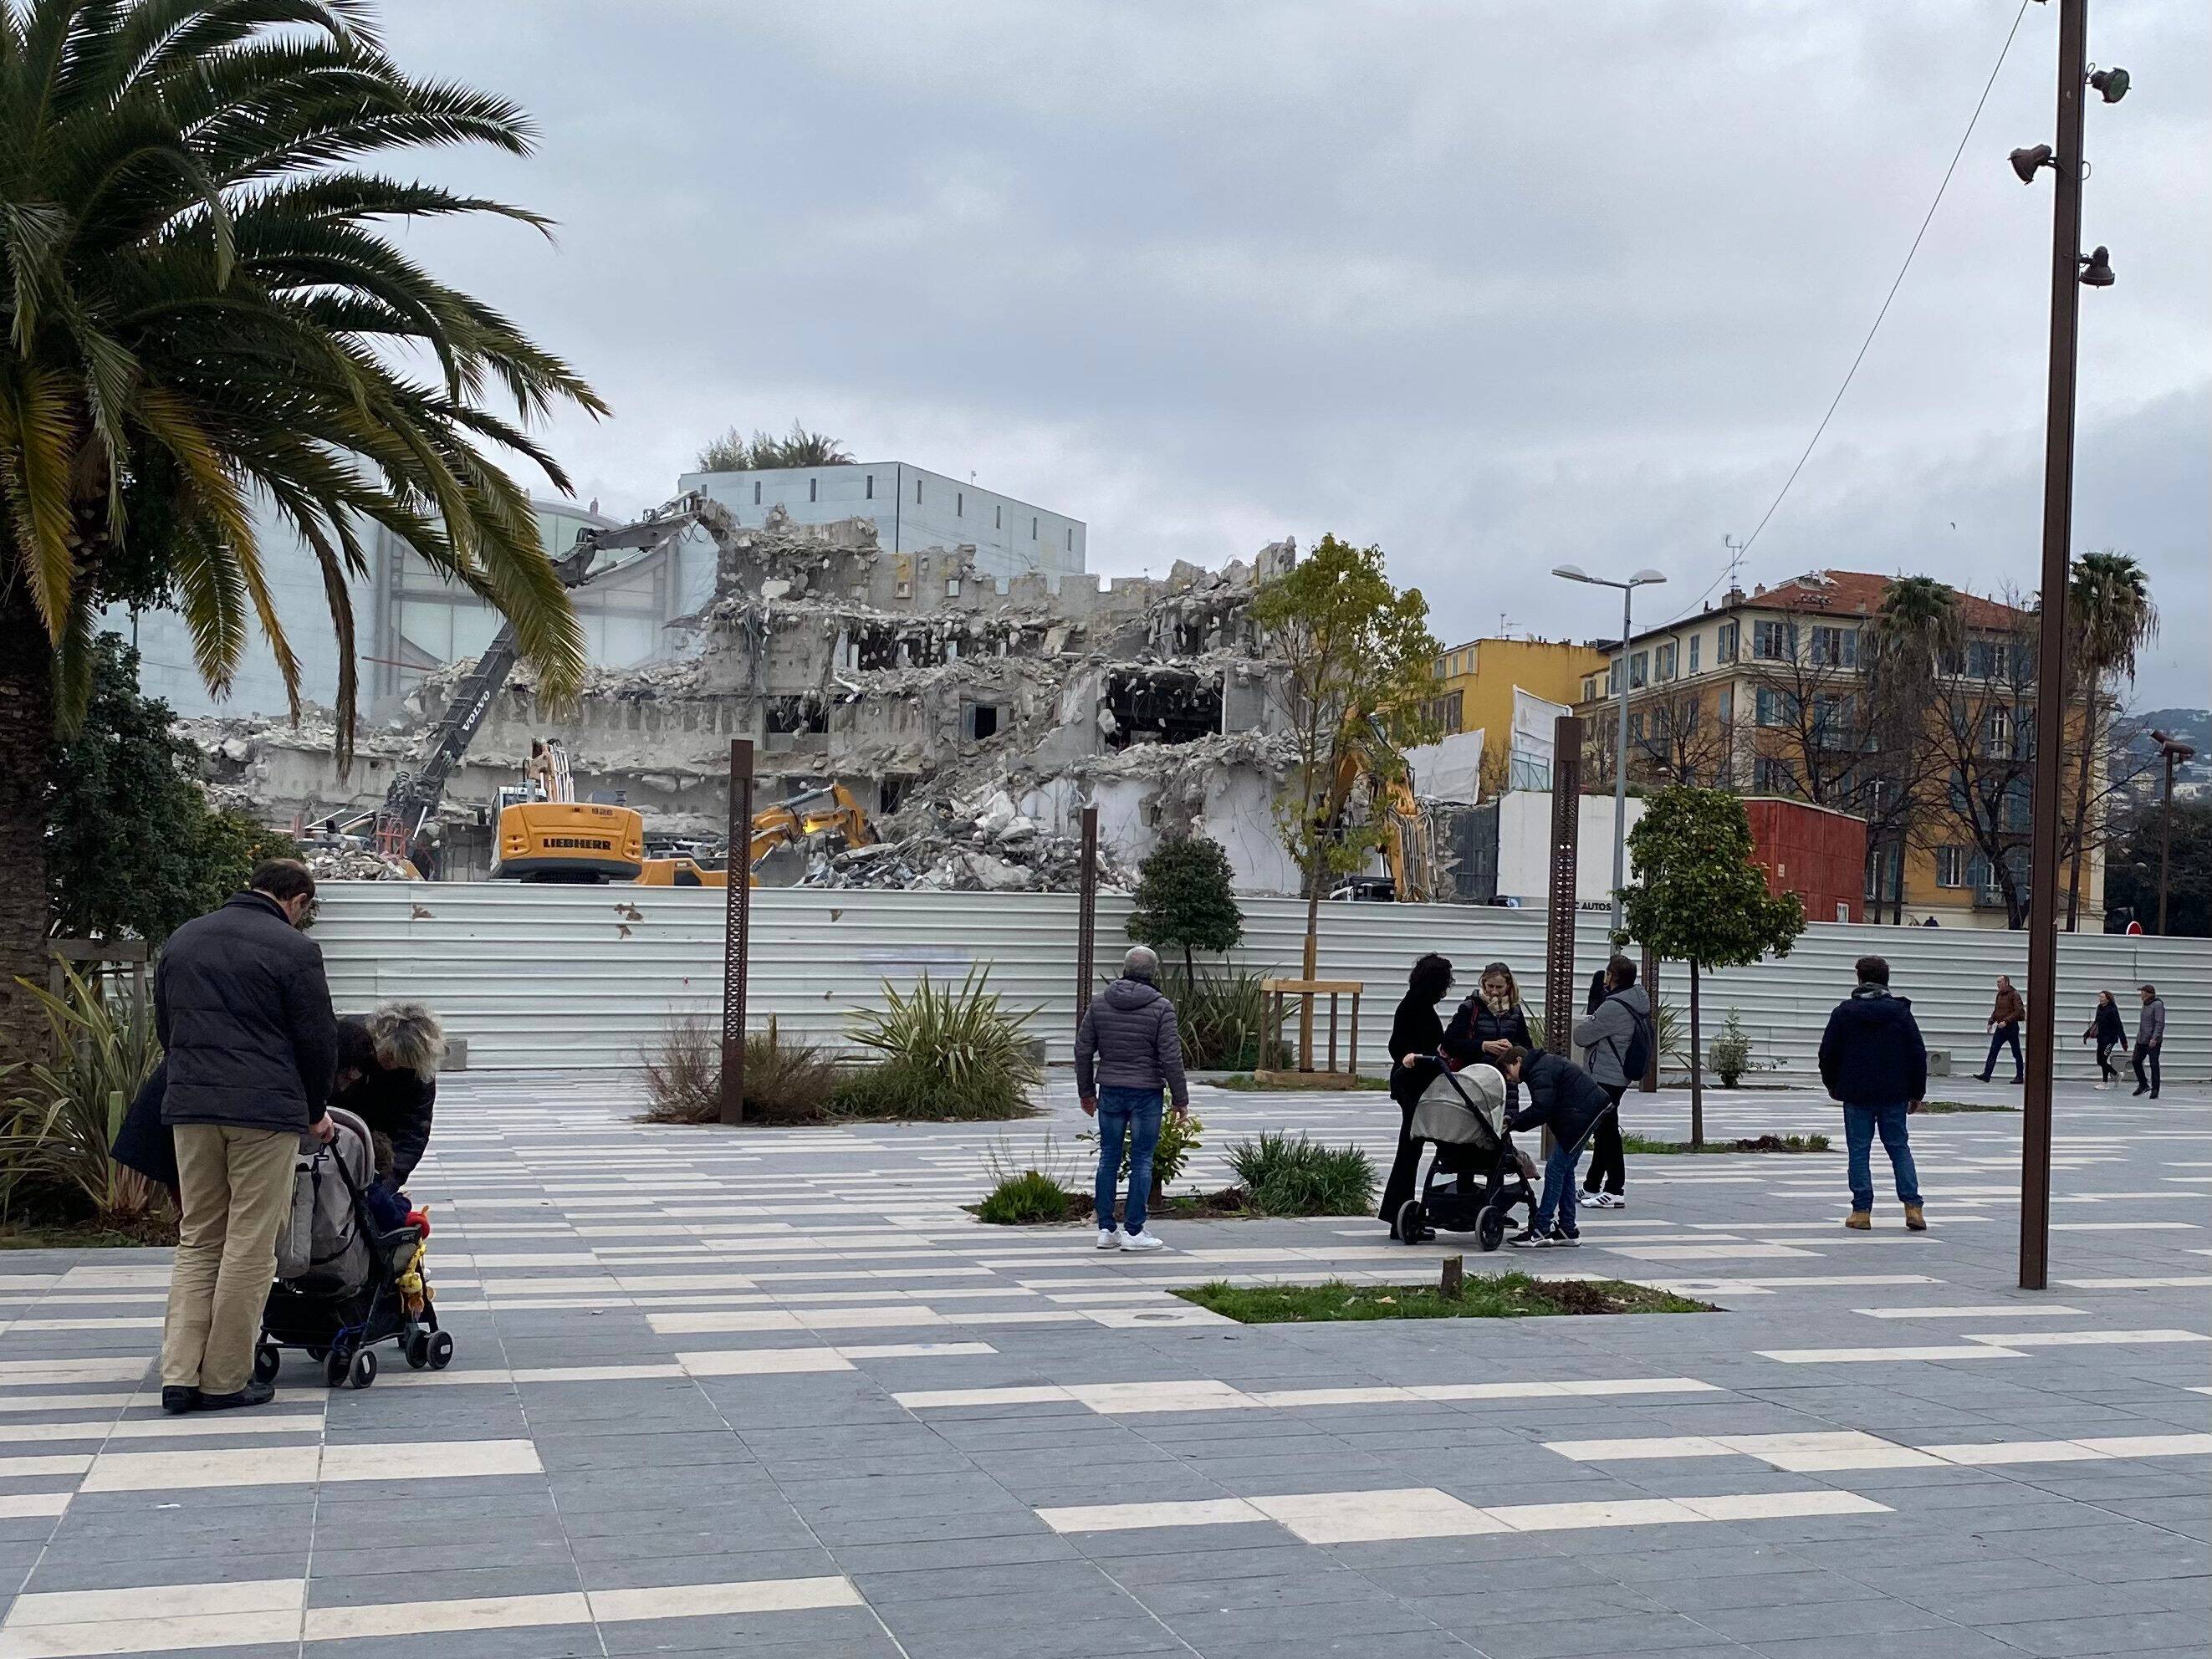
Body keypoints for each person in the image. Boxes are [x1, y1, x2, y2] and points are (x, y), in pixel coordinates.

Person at [156, 860, 339, 1414]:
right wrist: (313, 1111)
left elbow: (167, 1026)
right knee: (250, 1244)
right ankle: (226, 1380)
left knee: (199, 1237)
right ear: (298, 899)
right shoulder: (293, 949)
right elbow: (318, 1040)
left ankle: (179, 1374)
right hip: (264, 1111)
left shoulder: (185, 938)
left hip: (191, 1107)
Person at [1075, 946, 1189, 1253]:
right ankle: (1135, 1231)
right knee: (1142, 1159)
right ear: (1153, 972)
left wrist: (1086, 1092)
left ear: (1123, 969)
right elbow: (1170, 1056)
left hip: (1110, 1090)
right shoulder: (1161, 1007)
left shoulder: (1099, 1005)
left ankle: (1106, 1230)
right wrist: (1181, 1099)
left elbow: (1083, 1050)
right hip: (1146, 1093)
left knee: (1108, 1157)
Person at [1816, 954, 1927, 1233]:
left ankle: (1861, 1212)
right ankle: (1913, 1208)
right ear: (1886, 979)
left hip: (1856, 1094)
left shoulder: (1844, 1013)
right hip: (1894, 1093)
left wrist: (1833, 1084)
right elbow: (1917, 1053)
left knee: (1859, 1151)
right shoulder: (1901, 1013)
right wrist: (1916, 1092)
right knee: (1899, 1148)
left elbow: (1827, 1053)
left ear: (1860, 978)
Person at [1494, 1044, 1611, 1248]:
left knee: (1556, 1168)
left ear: (1518, 1061)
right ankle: (1568, 1229)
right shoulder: (1541, 1066)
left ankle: (1540, 1229)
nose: (1508, 1077)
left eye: (1507, 1070)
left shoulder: (1539, 1071)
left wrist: (1514, 1123)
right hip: (1585, 1112)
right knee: (1564, 1170)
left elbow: (1542, 1109)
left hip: (1583, 1114)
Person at [1381, 954, 1453, 1237]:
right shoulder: (1417, 1006)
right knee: (1410, 1150)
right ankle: (1402, 1216)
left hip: (1410, 1085)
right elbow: (1400, 1046)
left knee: (1410, 1149)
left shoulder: (1414, 1003)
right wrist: (1418, 1058)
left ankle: (1399, 1214)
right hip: (1413, 1086)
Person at [333, 1003, 443, 1188]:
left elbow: (414, 1132)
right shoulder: (348, 1043)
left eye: (402, 1062)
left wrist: (390, 1181)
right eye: (389, 1055)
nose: (392, 1064)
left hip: (382, 1140)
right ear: (377, 1040)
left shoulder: (420, 1074)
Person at [1572, 954, 1649, 1211]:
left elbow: (1581, 1036)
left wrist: (1595, 1006)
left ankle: (1615, 1189)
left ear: (1611, 977)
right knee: (1604, 1128)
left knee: (1607, 1133)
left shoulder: (1613, 1006)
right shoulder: (1637, 999)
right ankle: (1593, 1184)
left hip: (1606, 1075)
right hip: (1618, 1074)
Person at [1976, 974, 2026, 1084]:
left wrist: (2007, 1021)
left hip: (2011, 1027)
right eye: (1997, 982)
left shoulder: (2014, 994)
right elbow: (1996, 1011)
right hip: (2000, 1028)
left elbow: (2018, 1011)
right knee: (1993, 1051)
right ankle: (1986, 1075)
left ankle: (2019, 1076)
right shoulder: (1999, 995)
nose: (1998, 984)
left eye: (2000, 982)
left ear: (2006, 982)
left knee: (2016, 1052)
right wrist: (1990, 1022)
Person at [2083, 991, 2126, 1090]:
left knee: (2103, 1060)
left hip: (2110, 1039)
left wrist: (2124, 1041)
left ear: (2108, 999)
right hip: (2101, 1038)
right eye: (2100, 997)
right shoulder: (2099, 1008)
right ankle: (2117, 1074)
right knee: (2100, 1060)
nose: (2100, 999)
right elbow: (2096, 1022)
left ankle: (2105, 1083)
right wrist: (2088, 1033)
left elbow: (2119, 1026)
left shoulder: (2112, 1010)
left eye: (2102, 997)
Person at [2133, 983, 2166, 1099]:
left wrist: (2155, 1038)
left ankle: (2155, 1090)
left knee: (2154, 1064)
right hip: (2141, 1039)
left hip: (2152, 1041)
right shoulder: (2145, 1004)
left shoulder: (2157, 1004)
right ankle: (2143, 1085)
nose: (2140, 994)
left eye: (2142, 992)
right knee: (2136, 1061)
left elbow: (2160, 1023)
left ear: (2147, 993)